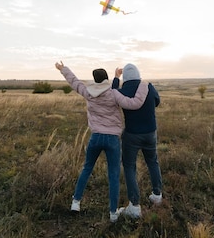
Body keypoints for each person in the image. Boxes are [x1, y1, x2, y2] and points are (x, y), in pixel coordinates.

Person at [55, 61, 150, 222]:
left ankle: (75, 203)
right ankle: (113, 214)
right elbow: (134, 104)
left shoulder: (87, 92)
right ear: (106, 79)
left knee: (86, 169)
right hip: (112, 139)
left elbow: (74, 81)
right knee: (113, 175)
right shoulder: (114, 93)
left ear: (95, 79)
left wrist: (63, 69)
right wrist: (143, 85)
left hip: (96, 137)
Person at [112, 63, 162, 219]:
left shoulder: (121, 91)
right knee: (153, 162)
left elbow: (112, 95)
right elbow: (157, 102)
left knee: (129, 166)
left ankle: (134, 206)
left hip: (132, 134)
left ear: (125, 77)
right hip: (150, 132)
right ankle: (157, 195)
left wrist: (115, 78)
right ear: (138, 74)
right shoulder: (148, 87)